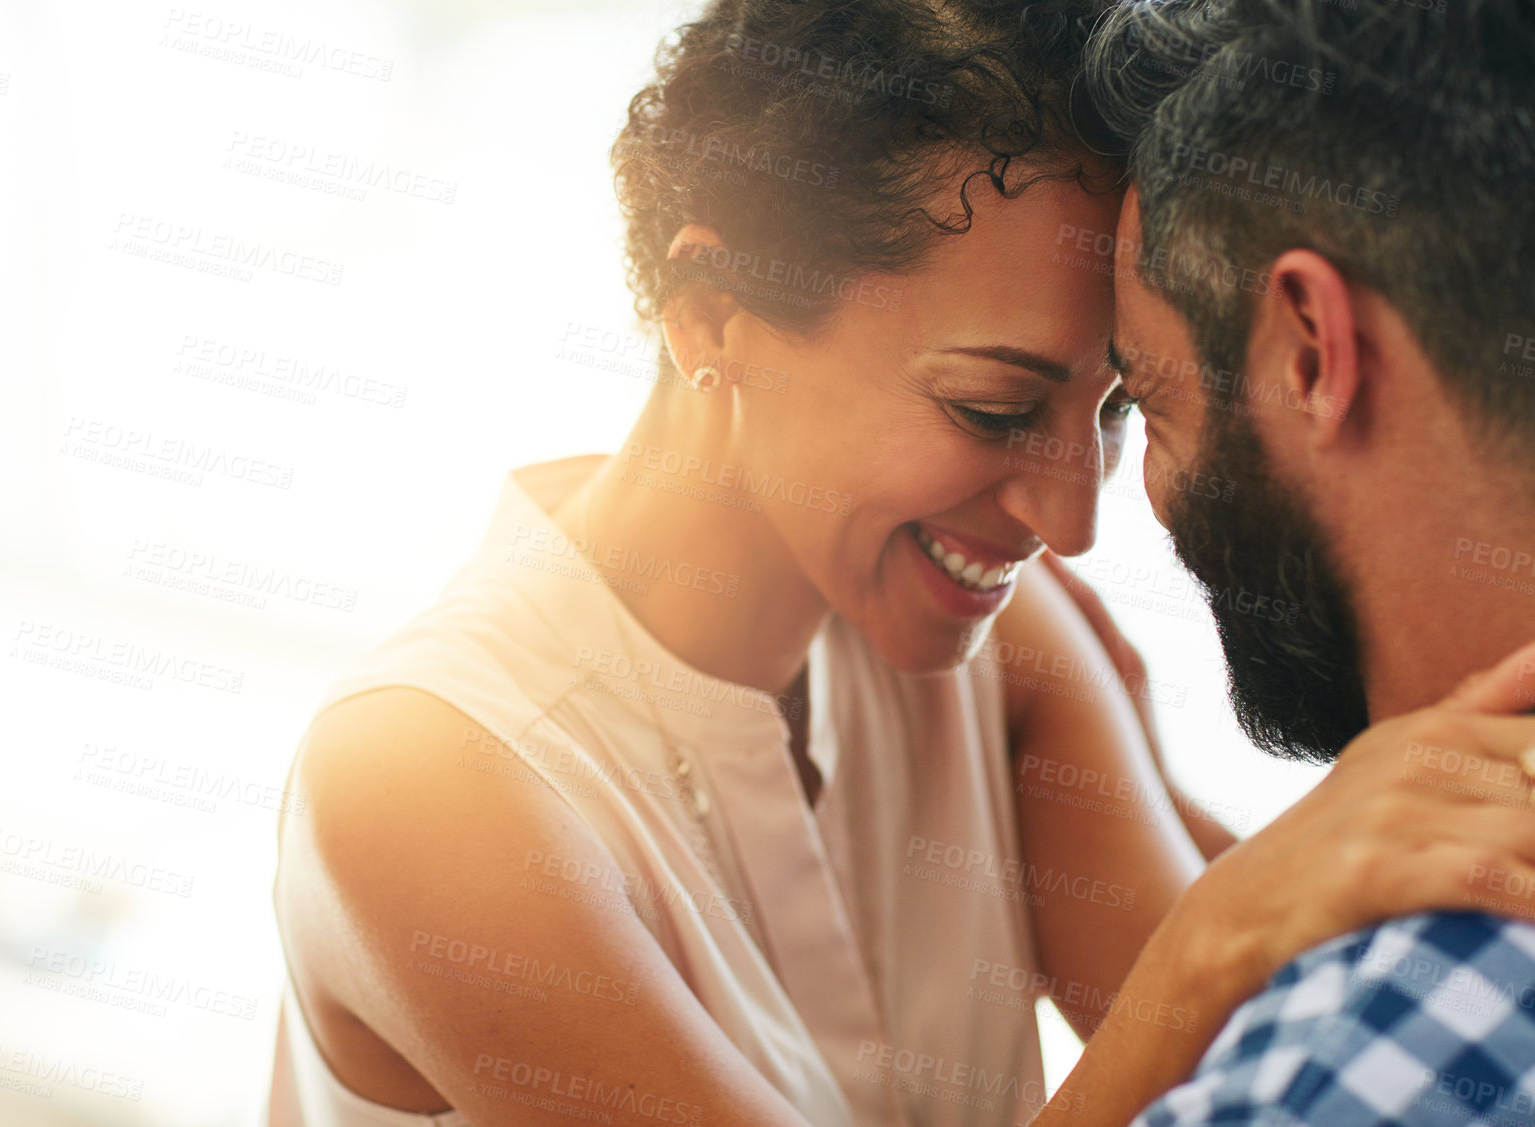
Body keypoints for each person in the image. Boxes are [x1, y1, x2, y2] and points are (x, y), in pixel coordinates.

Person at [265, 1, 1535, 1124]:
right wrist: (1212, 936)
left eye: (1111, 410)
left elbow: (1282, 1028)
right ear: (711, 310)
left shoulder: (1000, 645)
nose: (1071, 518)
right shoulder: (422, 771)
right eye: (992, 408)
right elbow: (1229, 964)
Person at [1067, 0, 1535, 1122]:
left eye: (1145, 399)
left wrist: (1209, 936)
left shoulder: (1361, 1052)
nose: (1081, 520)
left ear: (1311, 350)